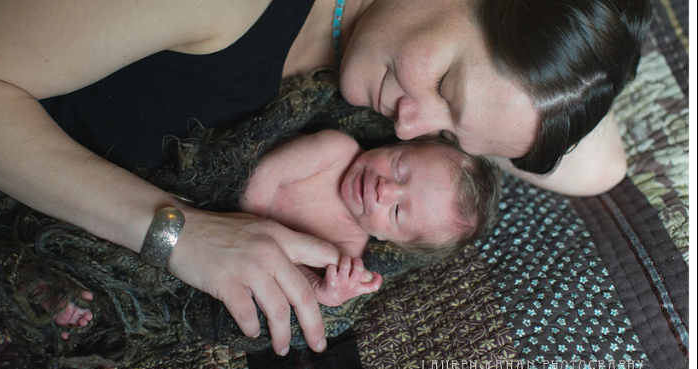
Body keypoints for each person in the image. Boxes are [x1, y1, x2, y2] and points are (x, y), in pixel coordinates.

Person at [0, 0, 651, 357]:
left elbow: (600, 166)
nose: (410, 127)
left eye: (449, 134)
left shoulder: (382, 37)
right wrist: (184, 235)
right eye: (444, 87)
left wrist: (552, 58)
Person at [40, 129, 500, 337]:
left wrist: (329, 292)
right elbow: (265, 173)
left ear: (393, 244)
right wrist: (248, 227)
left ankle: (61, 288)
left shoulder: (347, 249)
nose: (384, 189)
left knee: (141, 285)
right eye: (399, 168)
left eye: (398, 211)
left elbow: (296, 285)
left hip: (215, 265)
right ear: (395, 143)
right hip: (205, 210)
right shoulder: (336, 150)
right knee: (133, 213)